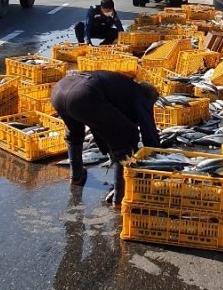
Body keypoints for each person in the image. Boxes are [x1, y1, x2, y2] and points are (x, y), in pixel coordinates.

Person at [50, 70, 160, 205]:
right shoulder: (142, 95)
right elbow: (147, 125)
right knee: (127, 135)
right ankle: (120, 197)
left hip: (59, 91)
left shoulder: (123, 87)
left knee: (74, 134)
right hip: (83, 94)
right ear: (149, 98)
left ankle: (76, 176)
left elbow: (106, 118)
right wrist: (155, 154)